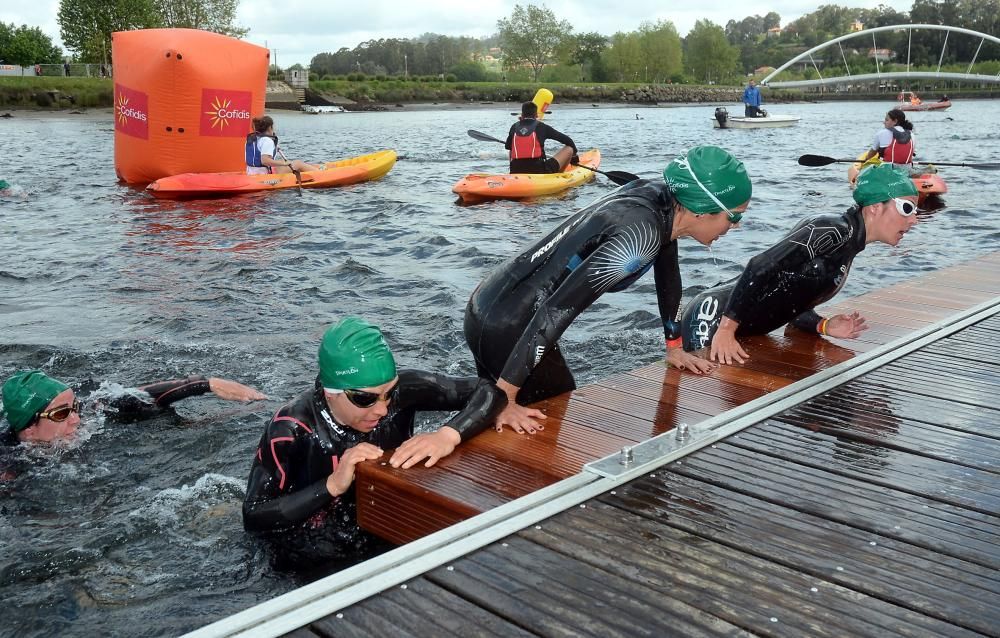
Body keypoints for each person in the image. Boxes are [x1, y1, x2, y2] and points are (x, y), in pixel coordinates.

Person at [464, 145, 752, 434]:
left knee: (502, 416)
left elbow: (668, 274)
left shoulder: (662, 201)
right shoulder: (640, 240)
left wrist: (674, 347)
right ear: (702, 210)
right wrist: (505, 398)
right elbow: (557, 310)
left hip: (492, 300)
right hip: (510, 323)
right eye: (734, 217)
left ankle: (469, 410)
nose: (736, 227)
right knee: (547, 416)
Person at [242, 317, 505, 569]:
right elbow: (254, 515)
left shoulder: (403, 392)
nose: (382, 409)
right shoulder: (291, 428)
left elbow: (489, 391)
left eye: (388, 394)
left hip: (383, 519)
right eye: (366, 399)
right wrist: (332, 485)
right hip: (309, 542)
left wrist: (447, 435)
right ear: (331, 393)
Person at [679, 163, 920, 364]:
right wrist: (725, 330)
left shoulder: (848, 245)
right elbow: (760, 266)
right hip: (711, 317)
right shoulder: (832, 230)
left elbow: (787, 300)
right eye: (907, 208)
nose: (914, 219)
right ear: (876, 207)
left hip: (736, 325)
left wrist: (823, 325)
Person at [1, 370, 265, 445]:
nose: (77, 420)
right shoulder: (11, 467)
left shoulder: (97, 412)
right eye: (61, 414)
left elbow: (143, 397)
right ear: (29, 429)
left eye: (75, 407)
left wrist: (207, 384)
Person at [504, 101, 578, 174]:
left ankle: (512, 171)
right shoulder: (542, 126)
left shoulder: (514, 126)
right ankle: (559, 175)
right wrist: (574, 157)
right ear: (536, 115)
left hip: (516, 170)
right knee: (569, 149)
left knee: (511, 147)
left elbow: (508, 147)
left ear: (522, 115)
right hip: (539, 171)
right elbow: (569, 141)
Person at [245, 115, 321, 176]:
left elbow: (258, 153)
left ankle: (313, 168)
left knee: (281, 164)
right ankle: (321, 174)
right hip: (263, 175)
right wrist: (284, 163)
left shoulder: (252, 139)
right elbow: (265, 161)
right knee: (298, 163)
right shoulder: (267, 141)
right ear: (270, 128)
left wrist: (274, 150)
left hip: (251, 172)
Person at [857, 109, 914, 174]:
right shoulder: (911, 134)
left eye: (886, 120)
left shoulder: (882, 133)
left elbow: (872, 153)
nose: (884, 122)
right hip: (907, 170)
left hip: (888, 171)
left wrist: (865, 161)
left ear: (895, 121)